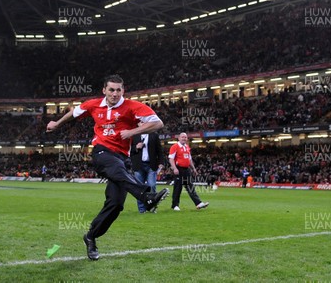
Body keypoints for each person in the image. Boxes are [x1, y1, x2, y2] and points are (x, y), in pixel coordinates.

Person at [46, 75, 169, 261]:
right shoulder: (93, 104)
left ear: (123, 91)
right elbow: (74, 113)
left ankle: (91, 236)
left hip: (122, 159)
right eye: (111, 89)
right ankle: (146, 196)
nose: (115, 93)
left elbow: (158, 123)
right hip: (102, 153)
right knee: (116, 168)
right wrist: (56, 123)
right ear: (104, 90)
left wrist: (133, 131)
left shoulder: (132, 106)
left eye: (118, 90)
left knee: (116, 204)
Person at [129, 124, 165, 213]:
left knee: (152, 186)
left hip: (151, 165)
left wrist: (161, 162)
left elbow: (159, 150)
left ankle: (152, 207)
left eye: (144, 122)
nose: (143, 123)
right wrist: (136, 147)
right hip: (138, 165)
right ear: (138, 124)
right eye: (141, 122)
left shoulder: (154, 135)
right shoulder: (134, 135)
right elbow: (130, 151)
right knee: (139, 189)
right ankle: (142, 209)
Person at [168, 132, 209, 211]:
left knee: (190, 187)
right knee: (178, 188)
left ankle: (198, 203)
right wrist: (174, 168)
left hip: (187, 169)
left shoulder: (187, 147)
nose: (184, 138)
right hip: (179, 169)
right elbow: (171, 158)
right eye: (182, 137)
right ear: (179, 138)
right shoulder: (174, 146)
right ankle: (175, 205)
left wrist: (193, 168)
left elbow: (189, 159)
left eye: (185, 137)